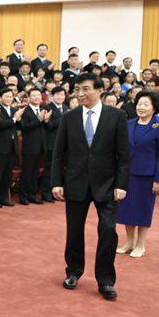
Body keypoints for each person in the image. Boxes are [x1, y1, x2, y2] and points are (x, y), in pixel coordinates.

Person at [51, 73, 130, 301]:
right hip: (76, 182)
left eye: (85, 89)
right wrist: (56, 182)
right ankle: (73, 272)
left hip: (107, 184)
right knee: (74, 230)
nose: (80, 94)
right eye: (77, 89)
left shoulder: (117, 116)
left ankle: (105, 280)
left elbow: (124, 155)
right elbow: (59, 153)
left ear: (99, 90)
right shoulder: (69, 117)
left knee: (108, 230)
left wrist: (121, 184)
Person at [115, 90, 159, 258]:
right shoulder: (129, 124)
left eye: (146, 104)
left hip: (147, 177)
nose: (141, 107)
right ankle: (129, 242)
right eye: (139, 103)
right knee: (126, 209)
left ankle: (140, 245)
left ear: (154, 107)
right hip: (128, 175)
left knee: (143, 210)